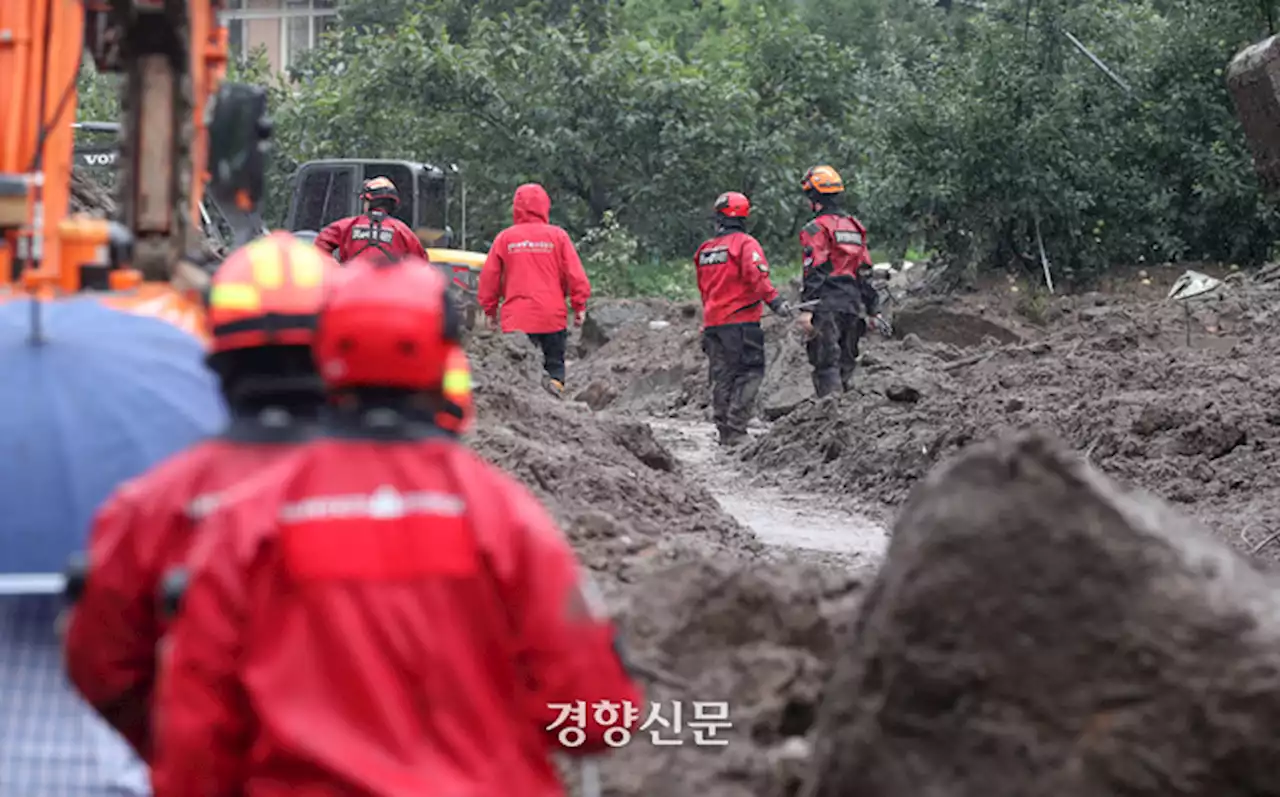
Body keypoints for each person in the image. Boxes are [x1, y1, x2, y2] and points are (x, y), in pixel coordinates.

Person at [150, 258, 641, 797]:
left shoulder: (245, 521)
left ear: (324, 351)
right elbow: (597, 718)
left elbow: (193, 733)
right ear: (443, 358)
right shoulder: (505, 518)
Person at [61, 231, 338, 762]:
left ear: (215, 351)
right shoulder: (409, 500)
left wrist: (180, 742)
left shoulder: (149, 506)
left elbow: (103, 666)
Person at [693, 191, 790, 447]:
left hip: (714, 323)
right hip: (741, 323)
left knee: (722, 376)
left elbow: (703, 289)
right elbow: (757, 278)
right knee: (749, 372)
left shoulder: (705, 250)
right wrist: (776, 302)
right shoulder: (746, 244)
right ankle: (736, 429)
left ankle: (724, 429)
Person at [477, 183, 591, 398]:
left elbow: (489, 279)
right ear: (545, 206)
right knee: (555, 364)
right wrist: (579, 306)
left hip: (516, 320)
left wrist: (489, 311)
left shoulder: (505, 238)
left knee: (516, 369)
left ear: (516, 207)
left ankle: (524, 403)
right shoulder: (558, 237)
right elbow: (575, 274)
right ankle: (554, 394)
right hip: (552, 316)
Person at [797, 164, 889, 397]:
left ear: (813, 197)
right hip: (852, 305)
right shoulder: (854, 227)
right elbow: (865, 271)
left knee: (826, 363)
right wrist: (873, 308)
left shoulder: (816, 228)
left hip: (827, 304)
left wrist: (807, 309)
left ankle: (830, 418)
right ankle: (845, 419)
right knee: (847, 363)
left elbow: (814, 269)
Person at [314, 176, 429, 264]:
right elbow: (421, 262)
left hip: (350, 289)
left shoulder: (346, 226)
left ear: (368, 201)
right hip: (390, 291)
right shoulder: (402, 230)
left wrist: (336, 270)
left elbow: (319, 247)